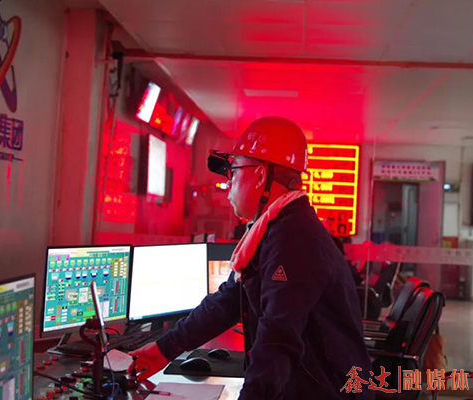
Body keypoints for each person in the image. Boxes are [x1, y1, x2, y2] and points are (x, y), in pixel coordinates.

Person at [128, 117, 374, 399]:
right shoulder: (275, 229)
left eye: (234, 170)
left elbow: (277, 341)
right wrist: (164, 349)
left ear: (259, 176)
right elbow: (228, 301)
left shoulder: (294, 239)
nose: (229, 182)